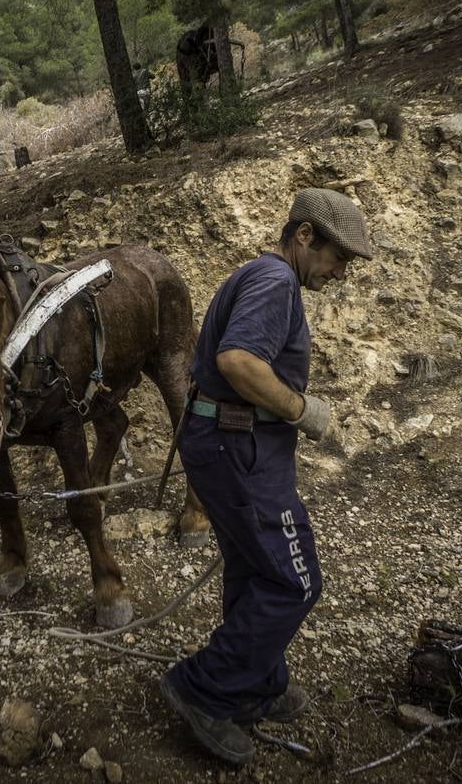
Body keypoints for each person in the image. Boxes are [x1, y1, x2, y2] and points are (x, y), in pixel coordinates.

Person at [160, 187, 374, 765]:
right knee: (294, 581)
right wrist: (302, 410)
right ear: (305, 236)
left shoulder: (261, 276)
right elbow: (238, 361)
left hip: (229, 443)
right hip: (239, 448)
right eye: (338, 258)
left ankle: (255, 683)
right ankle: (202, 688)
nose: (339, 274)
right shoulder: (276, 282)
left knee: (255, 569)